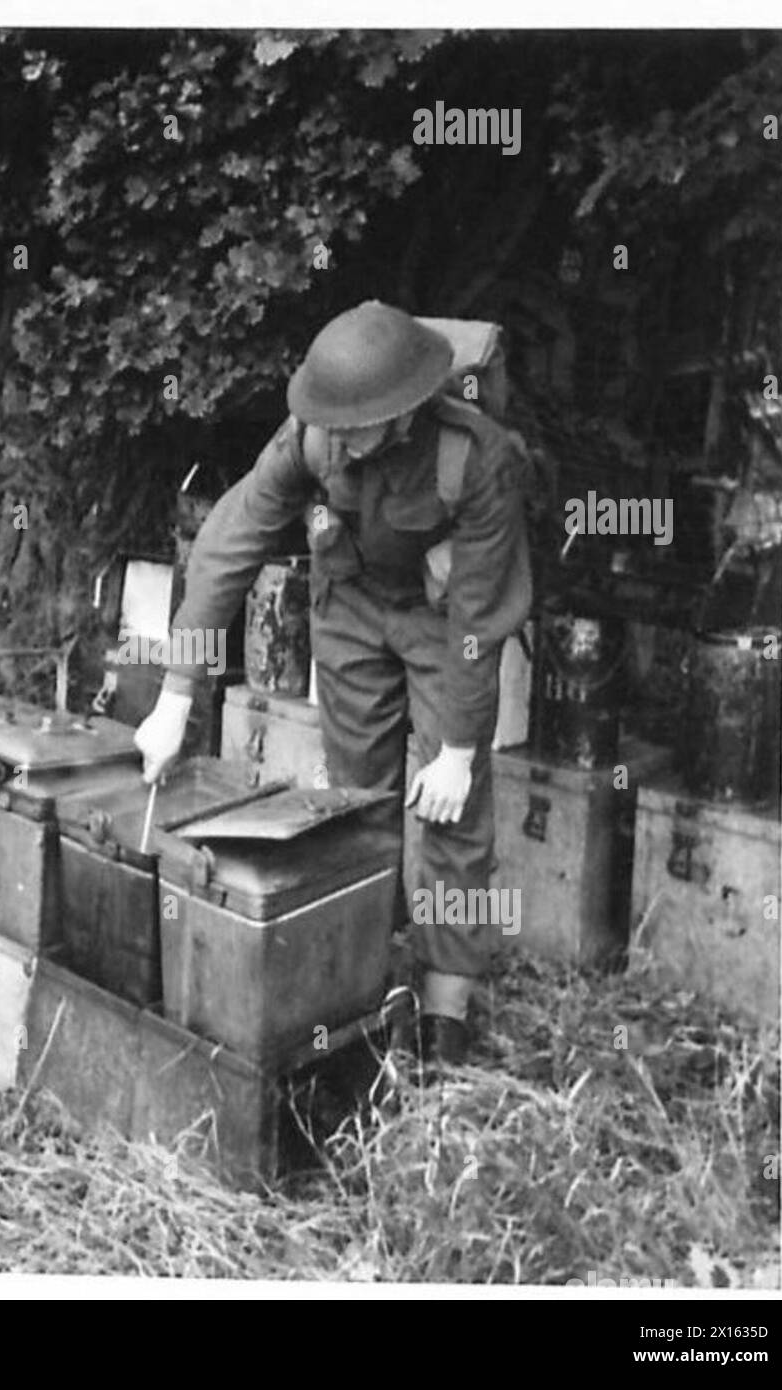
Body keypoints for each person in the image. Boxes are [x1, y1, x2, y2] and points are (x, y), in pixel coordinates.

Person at [135, 301, 532, 1065]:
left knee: (455, 810)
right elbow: (225, 547)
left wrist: (455, 748)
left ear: (406, 412)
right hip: (349, 604)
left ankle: (446, 1008)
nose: (340, 442)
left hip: (442, 619)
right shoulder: (312, 436)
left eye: (358, 425)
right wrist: (175, 694)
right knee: (356, 801)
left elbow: (480, 620)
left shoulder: (475, 457)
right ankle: (365, 972)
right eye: (333, 424)